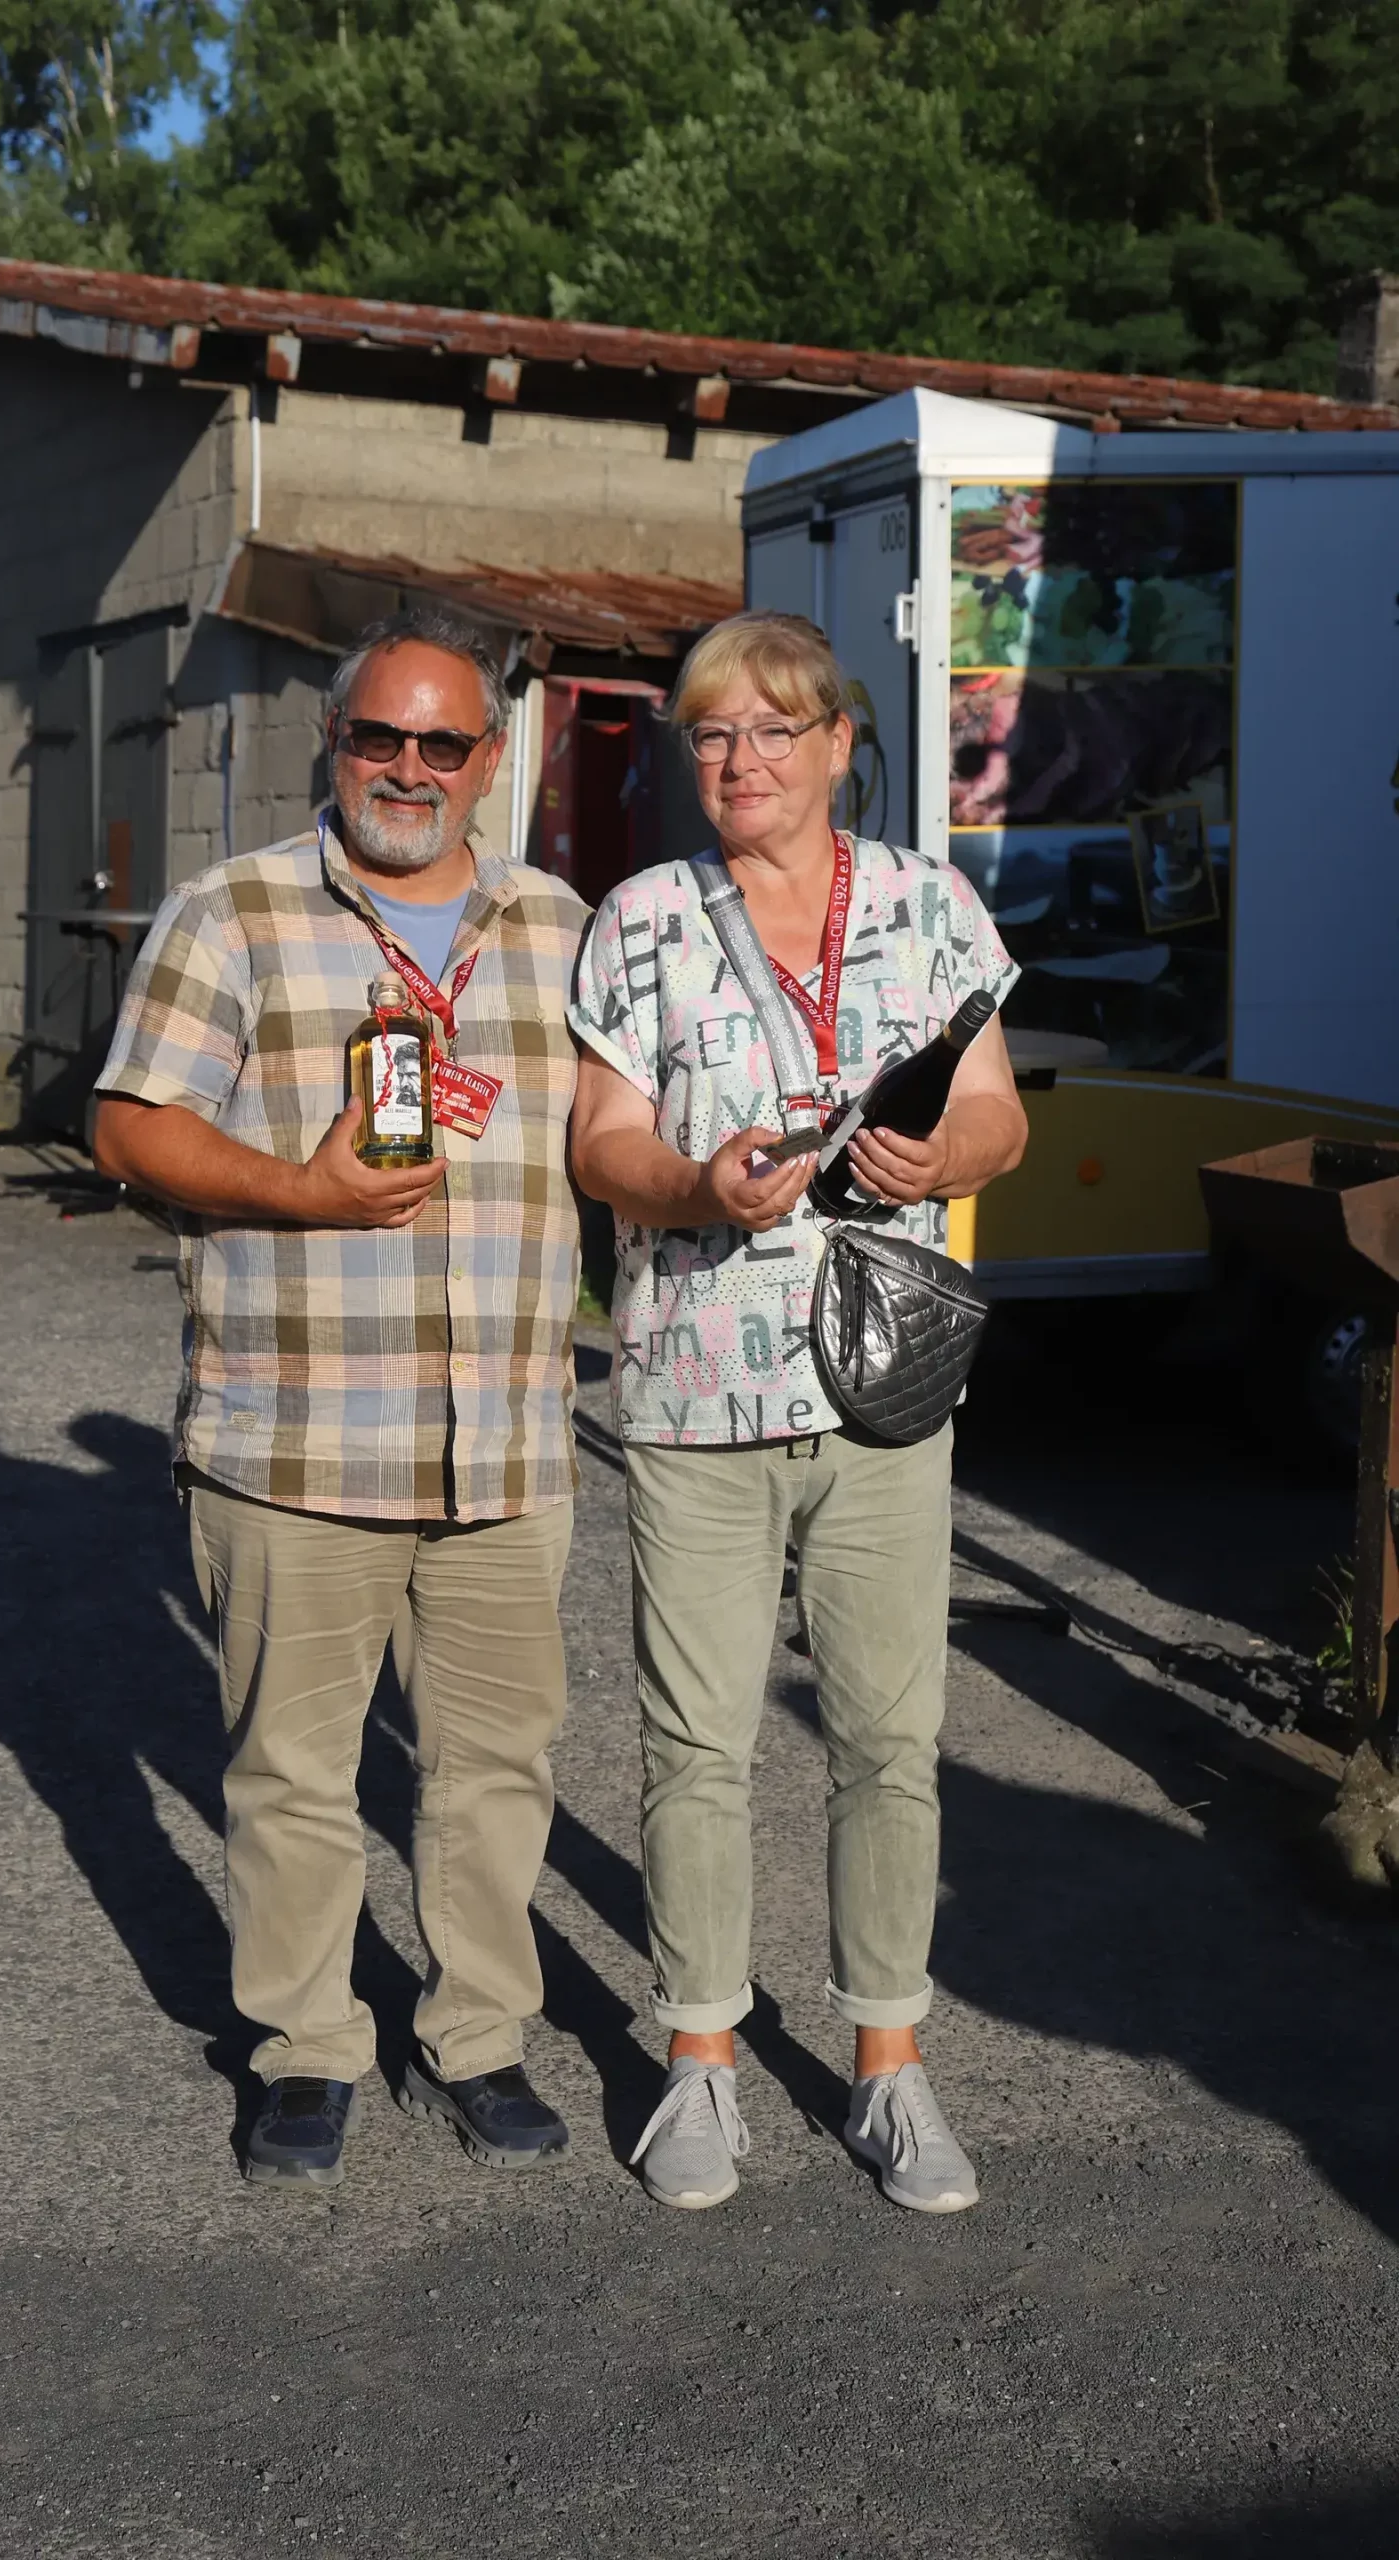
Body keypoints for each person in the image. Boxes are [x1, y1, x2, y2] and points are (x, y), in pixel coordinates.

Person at [93, 605, 588, 2188]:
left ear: (490, 759)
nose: (408, 768)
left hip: (504, 1445)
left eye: (443, 742)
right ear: (334, 740)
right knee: (294, 1775)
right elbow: (129, 1127)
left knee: (494, 1771)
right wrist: (300, 1193)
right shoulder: (231, 912)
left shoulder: (562, 927)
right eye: (380, 734)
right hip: (294, 1438)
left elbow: (621, 1139)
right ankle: (305, 2049)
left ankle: (478, 2038)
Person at [569, 611, 1028, 2214]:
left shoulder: (927, 904)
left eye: (773, 728)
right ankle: (699, 2059)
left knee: (889, 1742)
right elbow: (599, 1145)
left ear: (840, 743)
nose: (739, 759)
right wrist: (695, 1183)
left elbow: (999, 1116)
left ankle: (887, 2066)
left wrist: (945, 1156)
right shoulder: (638, 920)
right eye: (710, 733)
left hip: (885, 1387)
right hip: (695, 1384)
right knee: (694, 1746)